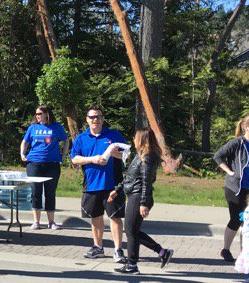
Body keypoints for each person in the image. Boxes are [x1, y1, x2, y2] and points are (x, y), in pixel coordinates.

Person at [109, 129, 174, 274]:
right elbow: (130, 177)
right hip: (135, 194)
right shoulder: (140, 155)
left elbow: (146, 182)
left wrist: (144, 203)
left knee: (130, 231)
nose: (133, 139)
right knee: (133, 231)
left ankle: (132, 265)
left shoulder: (147, 158)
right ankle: (163, 252)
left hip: (138, 197)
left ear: (142, 140)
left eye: (136, 137)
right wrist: (117, 190)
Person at [70, 106, 127, 262]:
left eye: (98, 117)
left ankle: (118, 250)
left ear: (103, 119)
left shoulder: (114, 135)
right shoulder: (81, 138)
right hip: (91, 184)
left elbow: (127, 155)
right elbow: (74, 159)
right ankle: (98, 247)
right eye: (92, 117)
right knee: (95, 217)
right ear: (87, 120)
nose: (95, 119)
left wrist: (115, 153)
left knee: (115, 217)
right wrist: (93, 159)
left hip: (112, 185)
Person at [213, 114, 249, 264]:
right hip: (236, 188)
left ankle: (246, 253)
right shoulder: (237, 143)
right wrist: (230, 172)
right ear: (246, 127)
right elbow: (218, 156)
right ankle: (225, 250)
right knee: (237, 220)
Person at [20, 105, 68, 230]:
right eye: (36, 114)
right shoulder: (33, 127)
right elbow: (25, 142)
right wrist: (22, 154)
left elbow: (66, 140)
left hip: (52, 164)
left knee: (50, 193)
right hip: (34, 163)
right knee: (36, 192)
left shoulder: (56, 126)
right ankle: (36, 221)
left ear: (47, 114)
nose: (37, 116)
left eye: (40, 113)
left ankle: (51, 222)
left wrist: (64, 155)